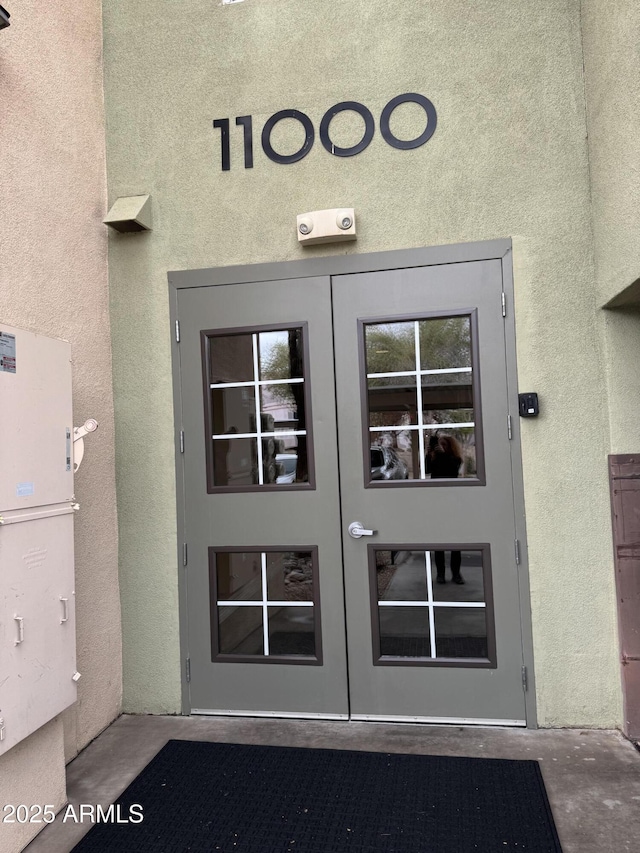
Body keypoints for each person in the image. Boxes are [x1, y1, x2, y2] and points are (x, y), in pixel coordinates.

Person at [426, 433, 464, 584]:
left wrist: (441, 454)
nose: (441, 447)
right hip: (436, 502)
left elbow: (451, 471)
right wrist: (429, 453)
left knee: (455, 541)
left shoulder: (455, 459)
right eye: (439, 444)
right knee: (439, 541)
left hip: (452, 502)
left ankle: (456, 573)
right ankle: (440, 574)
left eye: (444, 444)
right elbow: (428, 469)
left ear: (451, 447)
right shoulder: (435, 458)